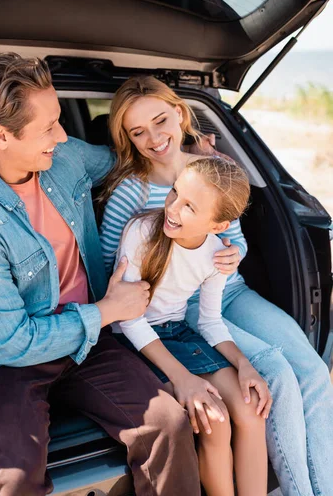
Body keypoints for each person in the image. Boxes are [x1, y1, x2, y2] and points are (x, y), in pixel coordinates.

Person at [0, 54, 201, 496]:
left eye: (60, 121)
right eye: (48, 128)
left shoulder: (64, 158)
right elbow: (11, 342)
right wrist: (106, 311)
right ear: (0, 136)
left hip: (89, 342)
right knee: (14, 482)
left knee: (169, 426)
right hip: (6, 363)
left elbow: (130, 158)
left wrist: (196, 160)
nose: (62, 136)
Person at [99, 75, 333, 496]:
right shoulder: (130, 195)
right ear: (127, 138)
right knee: (276, 373)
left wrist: (232, 255)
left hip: (227, 288)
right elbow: (110, 269)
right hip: (176, 306)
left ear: (181, 114)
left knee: (314, 372)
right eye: (138, 132)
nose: (154, 138)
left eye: (161, 120)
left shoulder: (212, 169)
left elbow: (232, 236)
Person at [115, 156, 271, 496]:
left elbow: (210, 321)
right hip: (136, 341)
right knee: (215, 421)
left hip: (177, 332)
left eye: (189, 207)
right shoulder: (141, 232)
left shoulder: (217, 254)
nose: (172, 208)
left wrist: (244, 364)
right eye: (174, 193)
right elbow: (128, 318)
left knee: (250, 410)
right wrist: (182, 378)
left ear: (217, 225)